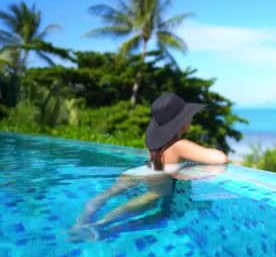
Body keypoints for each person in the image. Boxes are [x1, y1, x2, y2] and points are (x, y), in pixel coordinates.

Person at [69, 92, 228, 240]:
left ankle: (80, 222)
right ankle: (99, 225)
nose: (191, 119)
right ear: (180, 123)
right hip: (157, 178)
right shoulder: (180, 145)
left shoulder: (158, 142)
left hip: (137, 172)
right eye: (188, 116)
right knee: (151, 199)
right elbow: (220, 158)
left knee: (105, 195)